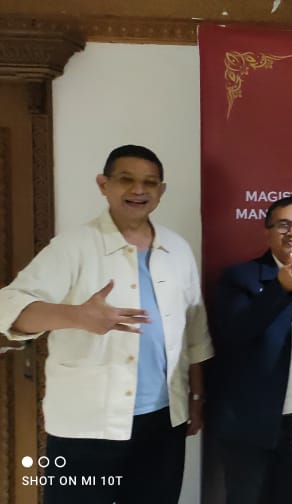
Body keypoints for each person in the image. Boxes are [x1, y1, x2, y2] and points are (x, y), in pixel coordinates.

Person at [0, 145, 211, 504]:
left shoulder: (177, 249)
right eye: (126, 180)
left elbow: (195, 333)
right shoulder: (73, 246)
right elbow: (8, 307)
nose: (138, 190)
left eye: (149, 182)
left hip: (163, 421)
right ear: (104, 185)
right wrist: (76, 316)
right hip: (87, 426)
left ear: (161, 191)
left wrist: (195, 397)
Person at [208, 197, 292, 504]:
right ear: (267, 233)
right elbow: (235, 333)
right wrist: (280, 288)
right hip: (250, 426)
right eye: (282, 225)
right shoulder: (240, 277)